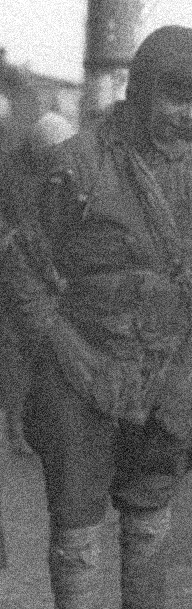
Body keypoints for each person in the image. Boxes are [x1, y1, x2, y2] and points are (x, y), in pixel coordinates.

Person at [0, 26, 192, 609]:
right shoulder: (75, 168)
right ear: (139, 88)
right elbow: (23, 274)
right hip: (78, 382)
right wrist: (69, 356)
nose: (187, 115)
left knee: (149, 528)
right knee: (78, 539)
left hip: (167, 387)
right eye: (174, 96)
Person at [0, 112, 77, 457]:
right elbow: (30, 235)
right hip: (18, 272)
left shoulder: (52, 174)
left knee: (31, 353)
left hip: (36, 271)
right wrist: (53, 276)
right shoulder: (16, 174)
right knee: (23, 351)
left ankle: (27, 427)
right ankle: (17, 429)